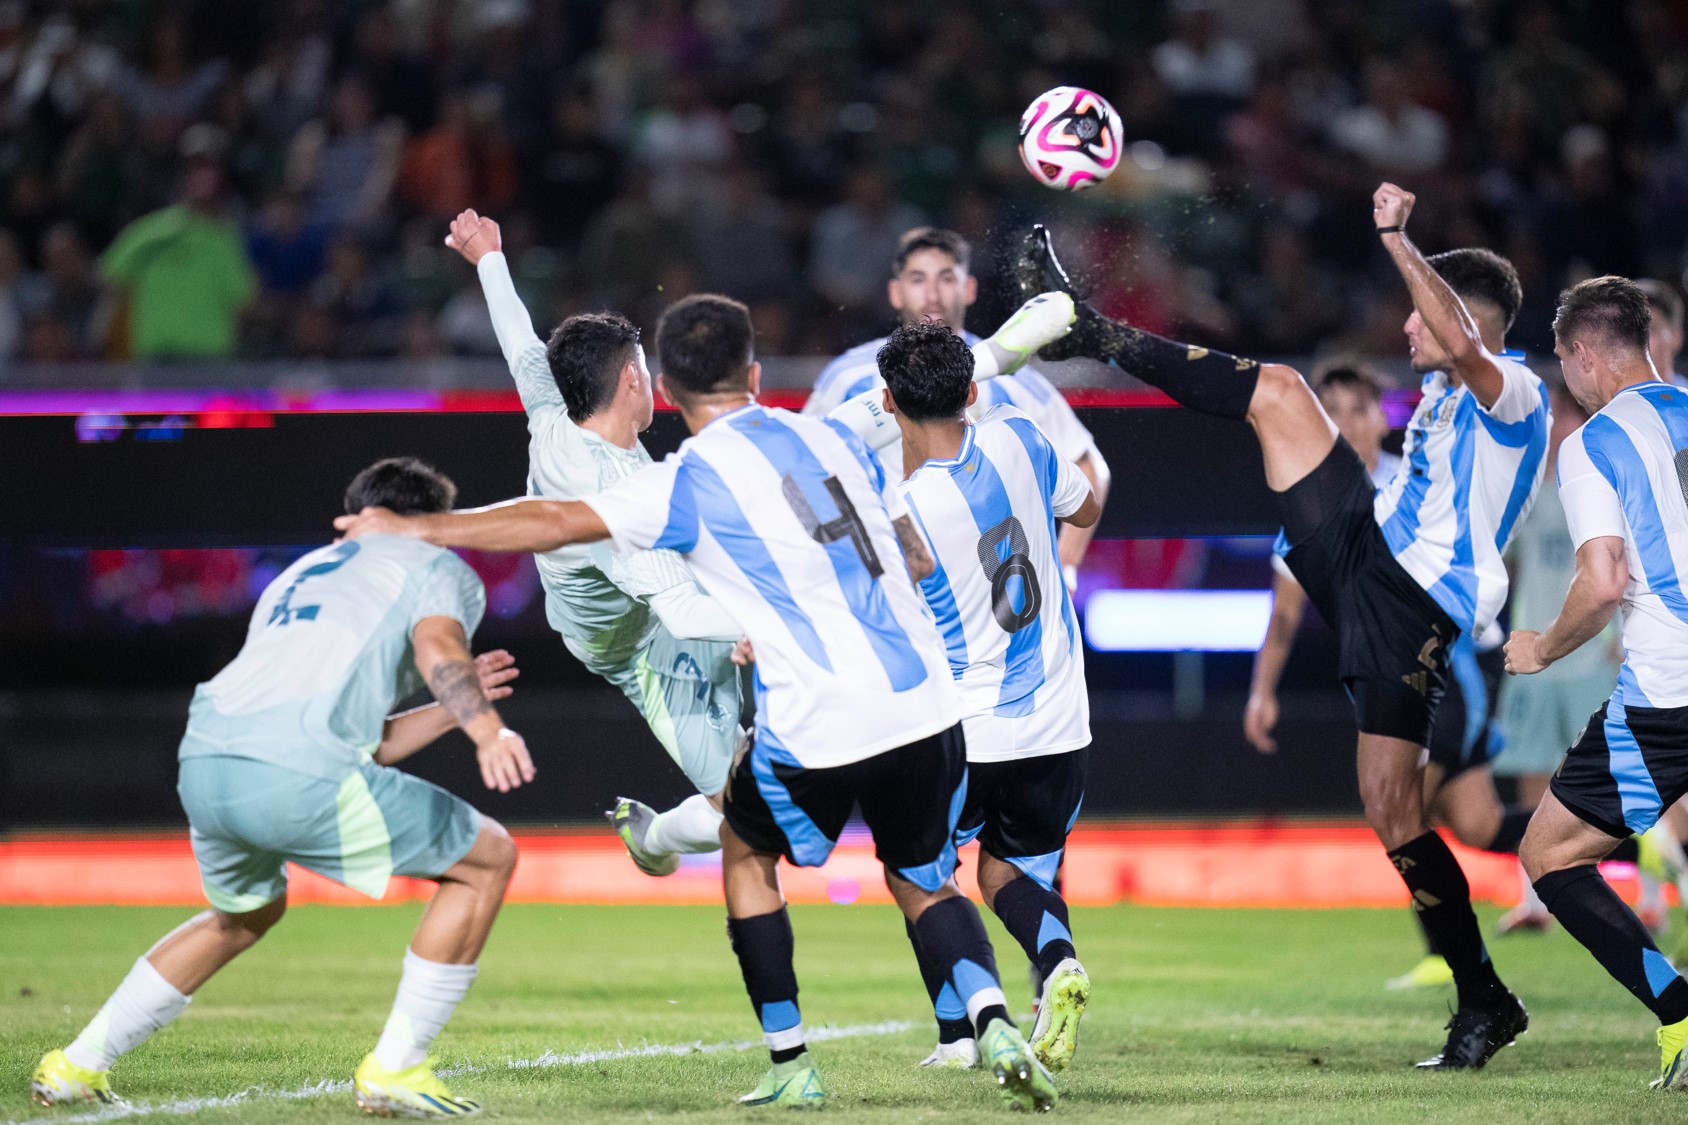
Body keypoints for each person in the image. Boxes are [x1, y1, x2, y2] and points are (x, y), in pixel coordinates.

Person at [334, 295, 1058, 1110]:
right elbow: (917, 549)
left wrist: (424, 529)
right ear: (755, 373)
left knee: (746, 854)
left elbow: (553, 519)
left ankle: (790, 1062)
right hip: (928, 701)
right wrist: (1000, 350)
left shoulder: (675, 482)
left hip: (821, 713)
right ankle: (993, 1019)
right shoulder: (829, 432)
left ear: (667, 393)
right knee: (927, 882)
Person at [1019, 181, 1547, 1069]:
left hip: (1413, 606)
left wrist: (1394, 238)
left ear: (1465, 314)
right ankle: (1089, 328)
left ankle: (1485, 996)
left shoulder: (1516, 389)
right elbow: (1439, 354)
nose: (1406, 333)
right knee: (1279, 390)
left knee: (1393, 811)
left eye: (1419, 316)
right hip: (1368, 555)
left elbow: (1452, 332)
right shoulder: (1449, 398)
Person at [30, 458, 533, 1117]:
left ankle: (75, 1064)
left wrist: (448, 710)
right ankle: (396, 1066)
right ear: (429, 522)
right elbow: (439, 645)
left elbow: (357, 731)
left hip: (205, 758)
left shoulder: (298, 573)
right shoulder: (438, 567)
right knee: (487, 857)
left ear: (355, 514)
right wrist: (486, 728)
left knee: (241, 915)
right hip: (296, 768)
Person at [442, 209, 743, 877]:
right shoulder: (617, 505)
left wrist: (489, 256)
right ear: (633, 380)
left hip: (658, 600)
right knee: (753, 816)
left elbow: (521, 346)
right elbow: (687, 619)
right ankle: (657, 836)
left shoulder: (554, 415)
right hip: (649, 651)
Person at [1244, 366, 1533, 991]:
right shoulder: (1312, 509)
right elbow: (1286, 613)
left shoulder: (1413, 485)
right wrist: (1262, 689)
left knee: (1399, 808)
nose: (1344, 423)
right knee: (1478, 826)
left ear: (1383, 419)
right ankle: (1628, 846)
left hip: (1448, 669)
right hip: (1391, 674)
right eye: (1332, 410)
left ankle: (1454, 961)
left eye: (1357, 408)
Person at [872, 322, 1099, 1073]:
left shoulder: (900, 510)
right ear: (973, 392)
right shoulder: (1022, 439)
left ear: (887, 401)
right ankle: (1057, 959)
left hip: (967, 728)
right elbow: (1088, 504)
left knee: (920, 876)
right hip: (1062, 722)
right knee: (1009, 877)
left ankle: (969, 1029)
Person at [1507, 275, 1688, 1089]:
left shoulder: (1592, 441)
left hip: (1668, 688)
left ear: (1583, 354)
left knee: (1551, 855)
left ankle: (1682, 1015)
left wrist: (1542, 648)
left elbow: (1604, 579)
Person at [805, 227, 1110, 590]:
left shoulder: (1015, 385)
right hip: (892, 589)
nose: (932, 294)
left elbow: (1088, 467)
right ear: (896, 292)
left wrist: (1067, 566)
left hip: (992, 592)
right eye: (918, 279)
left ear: (969, 288)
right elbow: (802, 472)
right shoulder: (846, 378)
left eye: (946, 278)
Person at [1492, 379, 1620, 935]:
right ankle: (1534, 902)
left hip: (1591, 658)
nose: (1554, 428)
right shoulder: (1525, 494)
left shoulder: (1598, 485)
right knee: (1531, 777)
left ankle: (1649, 895)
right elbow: (1506, 566)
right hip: (1537, 659)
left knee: (1612, 784)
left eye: (1562, 415)